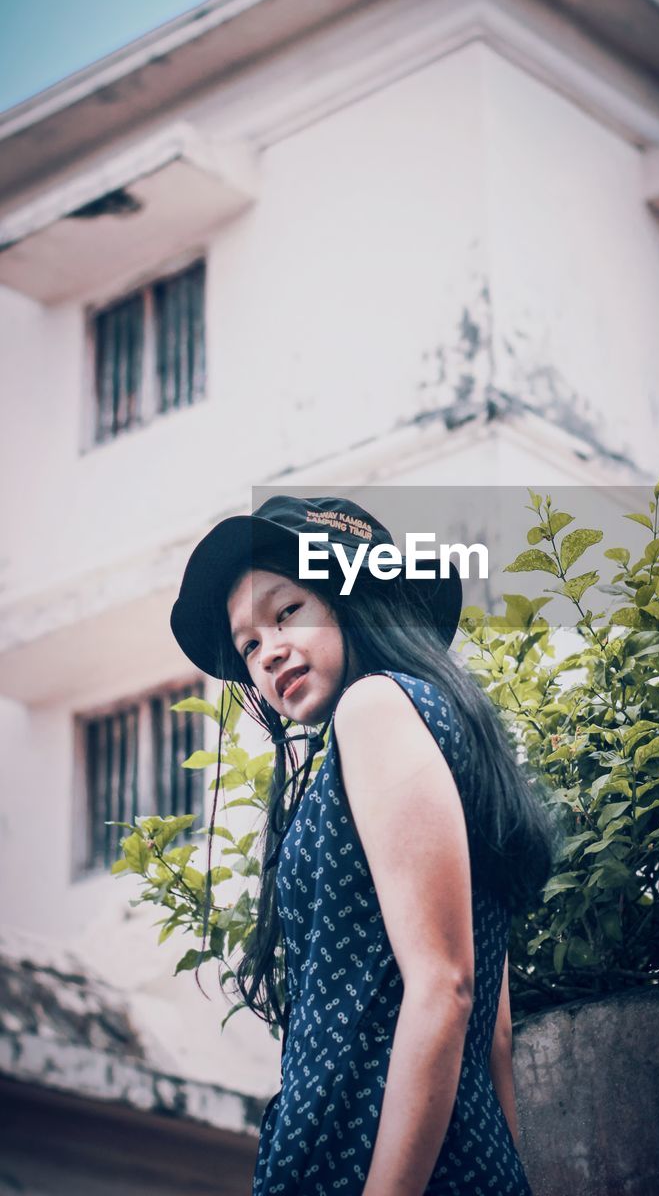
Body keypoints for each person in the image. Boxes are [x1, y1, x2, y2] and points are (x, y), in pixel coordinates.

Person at [170, 494, 558, 1196]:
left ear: (352, 597)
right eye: (248, 645)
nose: (269, 653)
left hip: (375, 1164)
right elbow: (491, 1033)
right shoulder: (434, 730)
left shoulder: (374, 708)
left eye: (286, 611)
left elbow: (445, 986)